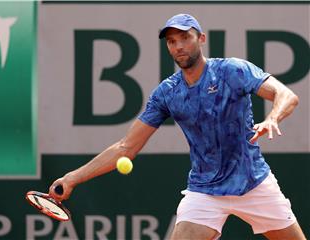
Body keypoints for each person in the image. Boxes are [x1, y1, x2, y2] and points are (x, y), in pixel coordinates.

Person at [49, 13, 306, 239]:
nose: (179, 46)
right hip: (204, 192)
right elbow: (126, 147)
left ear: (201, 39)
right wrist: (72, 178)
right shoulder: (167, 93)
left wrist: (273, 118)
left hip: (254, 183)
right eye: (172, 41)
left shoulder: (233, 70)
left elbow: (286, 96)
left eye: (185, 38)